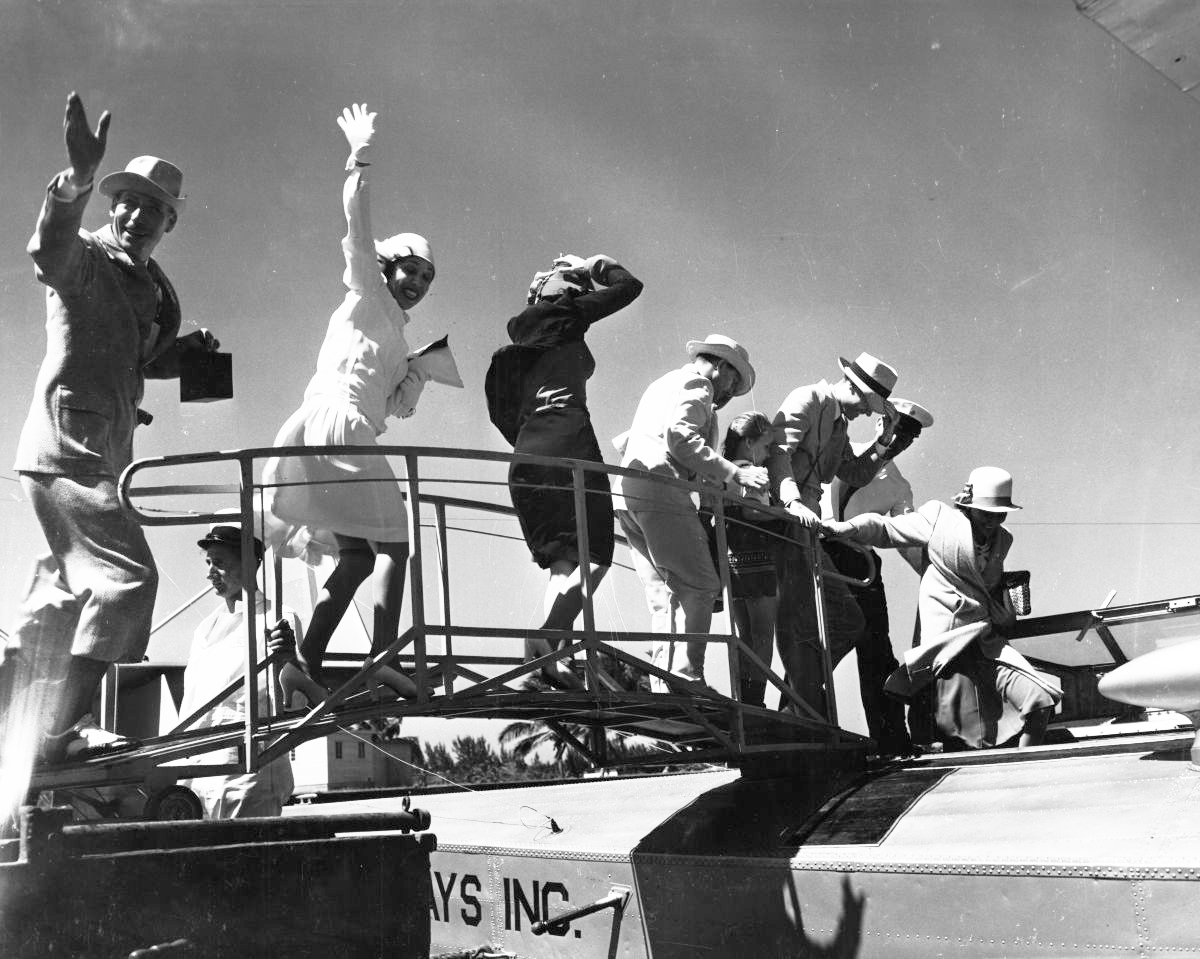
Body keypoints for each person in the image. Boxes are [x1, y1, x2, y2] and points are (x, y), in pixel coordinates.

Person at [5, 92, 221, 765]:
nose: (135, 215)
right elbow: (49, 249)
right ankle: (54, 732)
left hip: (99, 450)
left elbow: (131, 357)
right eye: (125, 201)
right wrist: (74, 181)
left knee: (68, 599)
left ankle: (25, 714)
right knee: (128, 579)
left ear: (169, 221)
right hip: (68, 447)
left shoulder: (152, 286)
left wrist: (182, 353)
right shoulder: (89, 259)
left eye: (151, 208)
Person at [262, 104, 460, 704]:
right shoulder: (367, 293)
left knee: (355, 559)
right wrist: (359, 161)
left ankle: (304, 662)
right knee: (396, 544)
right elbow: (357, 225)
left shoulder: (397, 333)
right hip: (337, 421)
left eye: (426, 278)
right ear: (388, 268)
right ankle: (385, 658)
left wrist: (419, 372)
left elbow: (396, 408)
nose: (417, 283)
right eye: (410, 271)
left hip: (337, 427)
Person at [485, 253, 643, 690]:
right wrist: (598, 265)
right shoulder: (565, 314)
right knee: (597, 557)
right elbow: (629, 288)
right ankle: (546, 636)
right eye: (577, 286)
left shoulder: (519, 339)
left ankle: (553, 658)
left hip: (527, 453)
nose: (583, 292)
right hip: (569, 440)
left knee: (563, 565)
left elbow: (501, 415)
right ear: (565, 293)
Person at [821, 466, 1061, 749]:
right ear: (969, 506)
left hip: (986, 645)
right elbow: (886, 528)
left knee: (1040, 702)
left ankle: (1022, 763)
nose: (993, 521)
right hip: (948, 649)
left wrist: (1004, 611)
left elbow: (987, 585)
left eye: (1000, 514)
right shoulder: (939, 519)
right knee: (960, 736)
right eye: (987, 514)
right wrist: (845, 528)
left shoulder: (1003, 540)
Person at [612, 335, 768, 689]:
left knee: (664, 595)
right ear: (721, 366)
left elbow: (636, 439)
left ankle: (664, 685)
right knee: (701, 585)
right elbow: (680, 438)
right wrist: (736, 473)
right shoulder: (699, 384)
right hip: (661, 492)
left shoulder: (663, 383)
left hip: (629, 495)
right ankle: (685, 679)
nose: (730, 392)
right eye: (733, 382)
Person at [767, 352, 905, 721]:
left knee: (844, 621)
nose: (865, 414)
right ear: (853, 388)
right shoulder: (808, 399)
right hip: (783, 520)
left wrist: (882, 444)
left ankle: (799, 704)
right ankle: (799, 708)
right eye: (866, 406)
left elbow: (855, 473)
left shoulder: (838, 424)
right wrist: (792, 501)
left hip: (804, 528)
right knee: (812, 623)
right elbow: (777, 454)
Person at [824, 399, 932, 756]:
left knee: (877, 652)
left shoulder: (899, 487)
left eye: (909, 437)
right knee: (818, 646)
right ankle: (798, 727)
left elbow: (907, 536)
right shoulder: (843, 454)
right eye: (897, 430)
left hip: (862, 563)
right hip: (820, 553)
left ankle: (890, 739)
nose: (901, 441)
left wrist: (932, 573)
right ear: (880, 425)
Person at [179, 516, 302, 818]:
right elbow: (191, 706)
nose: (210, 573)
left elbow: (294, 702)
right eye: (208, 562)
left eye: (219, 562)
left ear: (250, 562)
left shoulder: (278, 618)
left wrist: (287, 659)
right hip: (198, 776)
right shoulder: (205, 629)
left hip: (248, 776)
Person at [716, 412, 785, 706]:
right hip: (757, 558)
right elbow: (751, 510)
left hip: (732, 559)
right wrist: (783, 514)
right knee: (763, 636)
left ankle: (743, 696)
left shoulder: (724, 472)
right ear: (749, 443)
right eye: (765, 446)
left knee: (744, 635)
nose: (768, 454)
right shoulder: (751, 473)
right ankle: (755, 699)